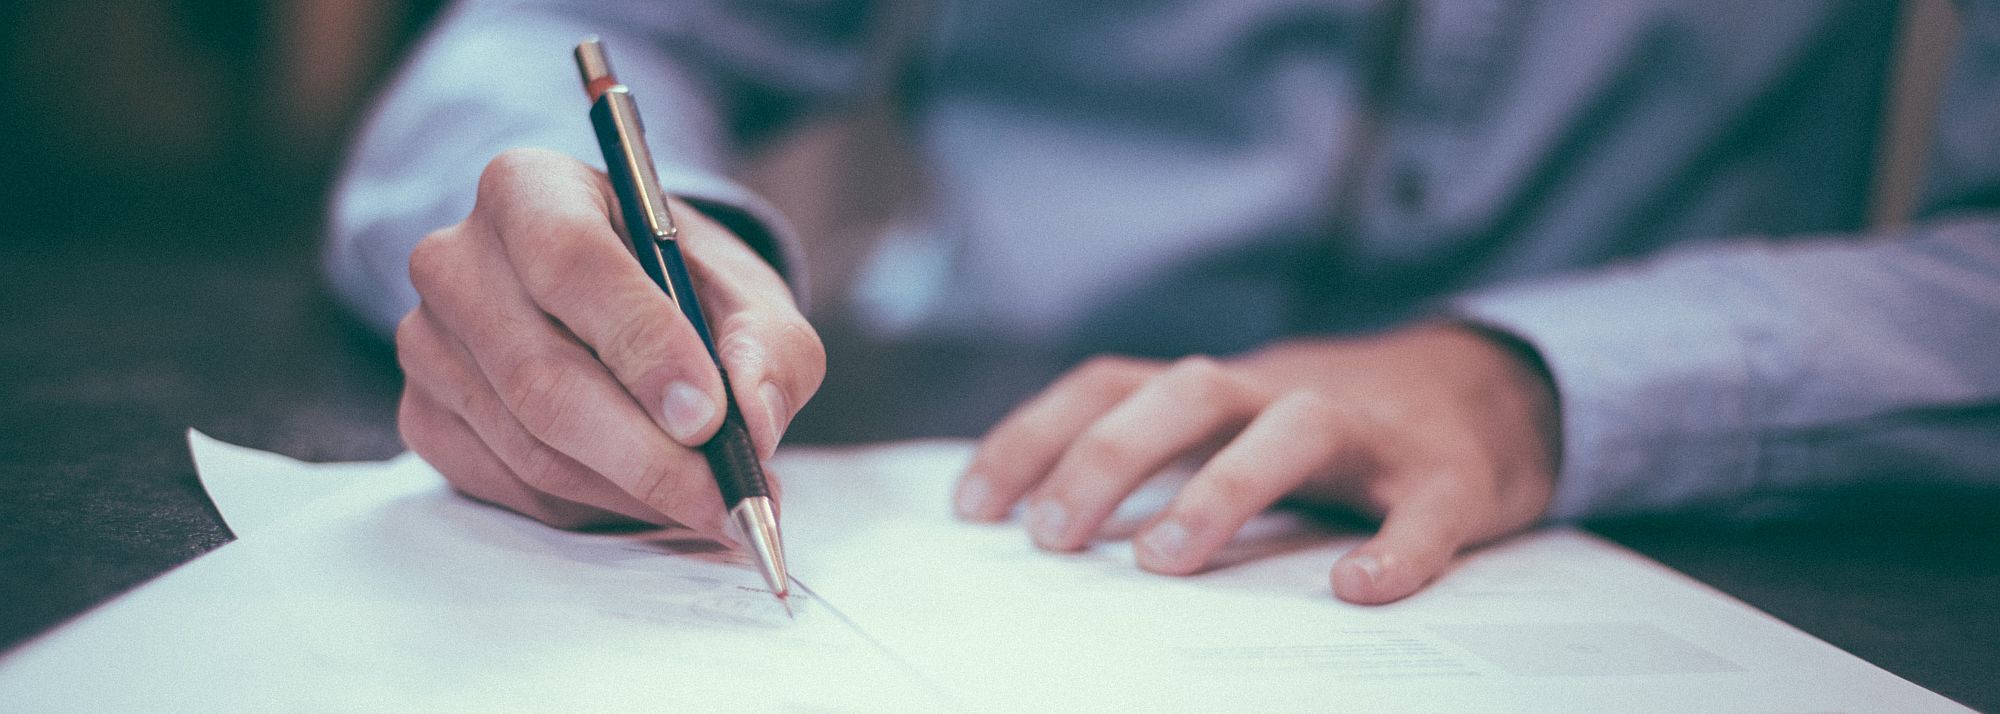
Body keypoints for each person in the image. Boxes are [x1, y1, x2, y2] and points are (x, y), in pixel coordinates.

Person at [327, 0, 2000, 605]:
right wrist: (594, 252)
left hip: (1683, 521)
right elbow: (559, 35)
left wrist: (1536, 381)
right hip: (972, 474)